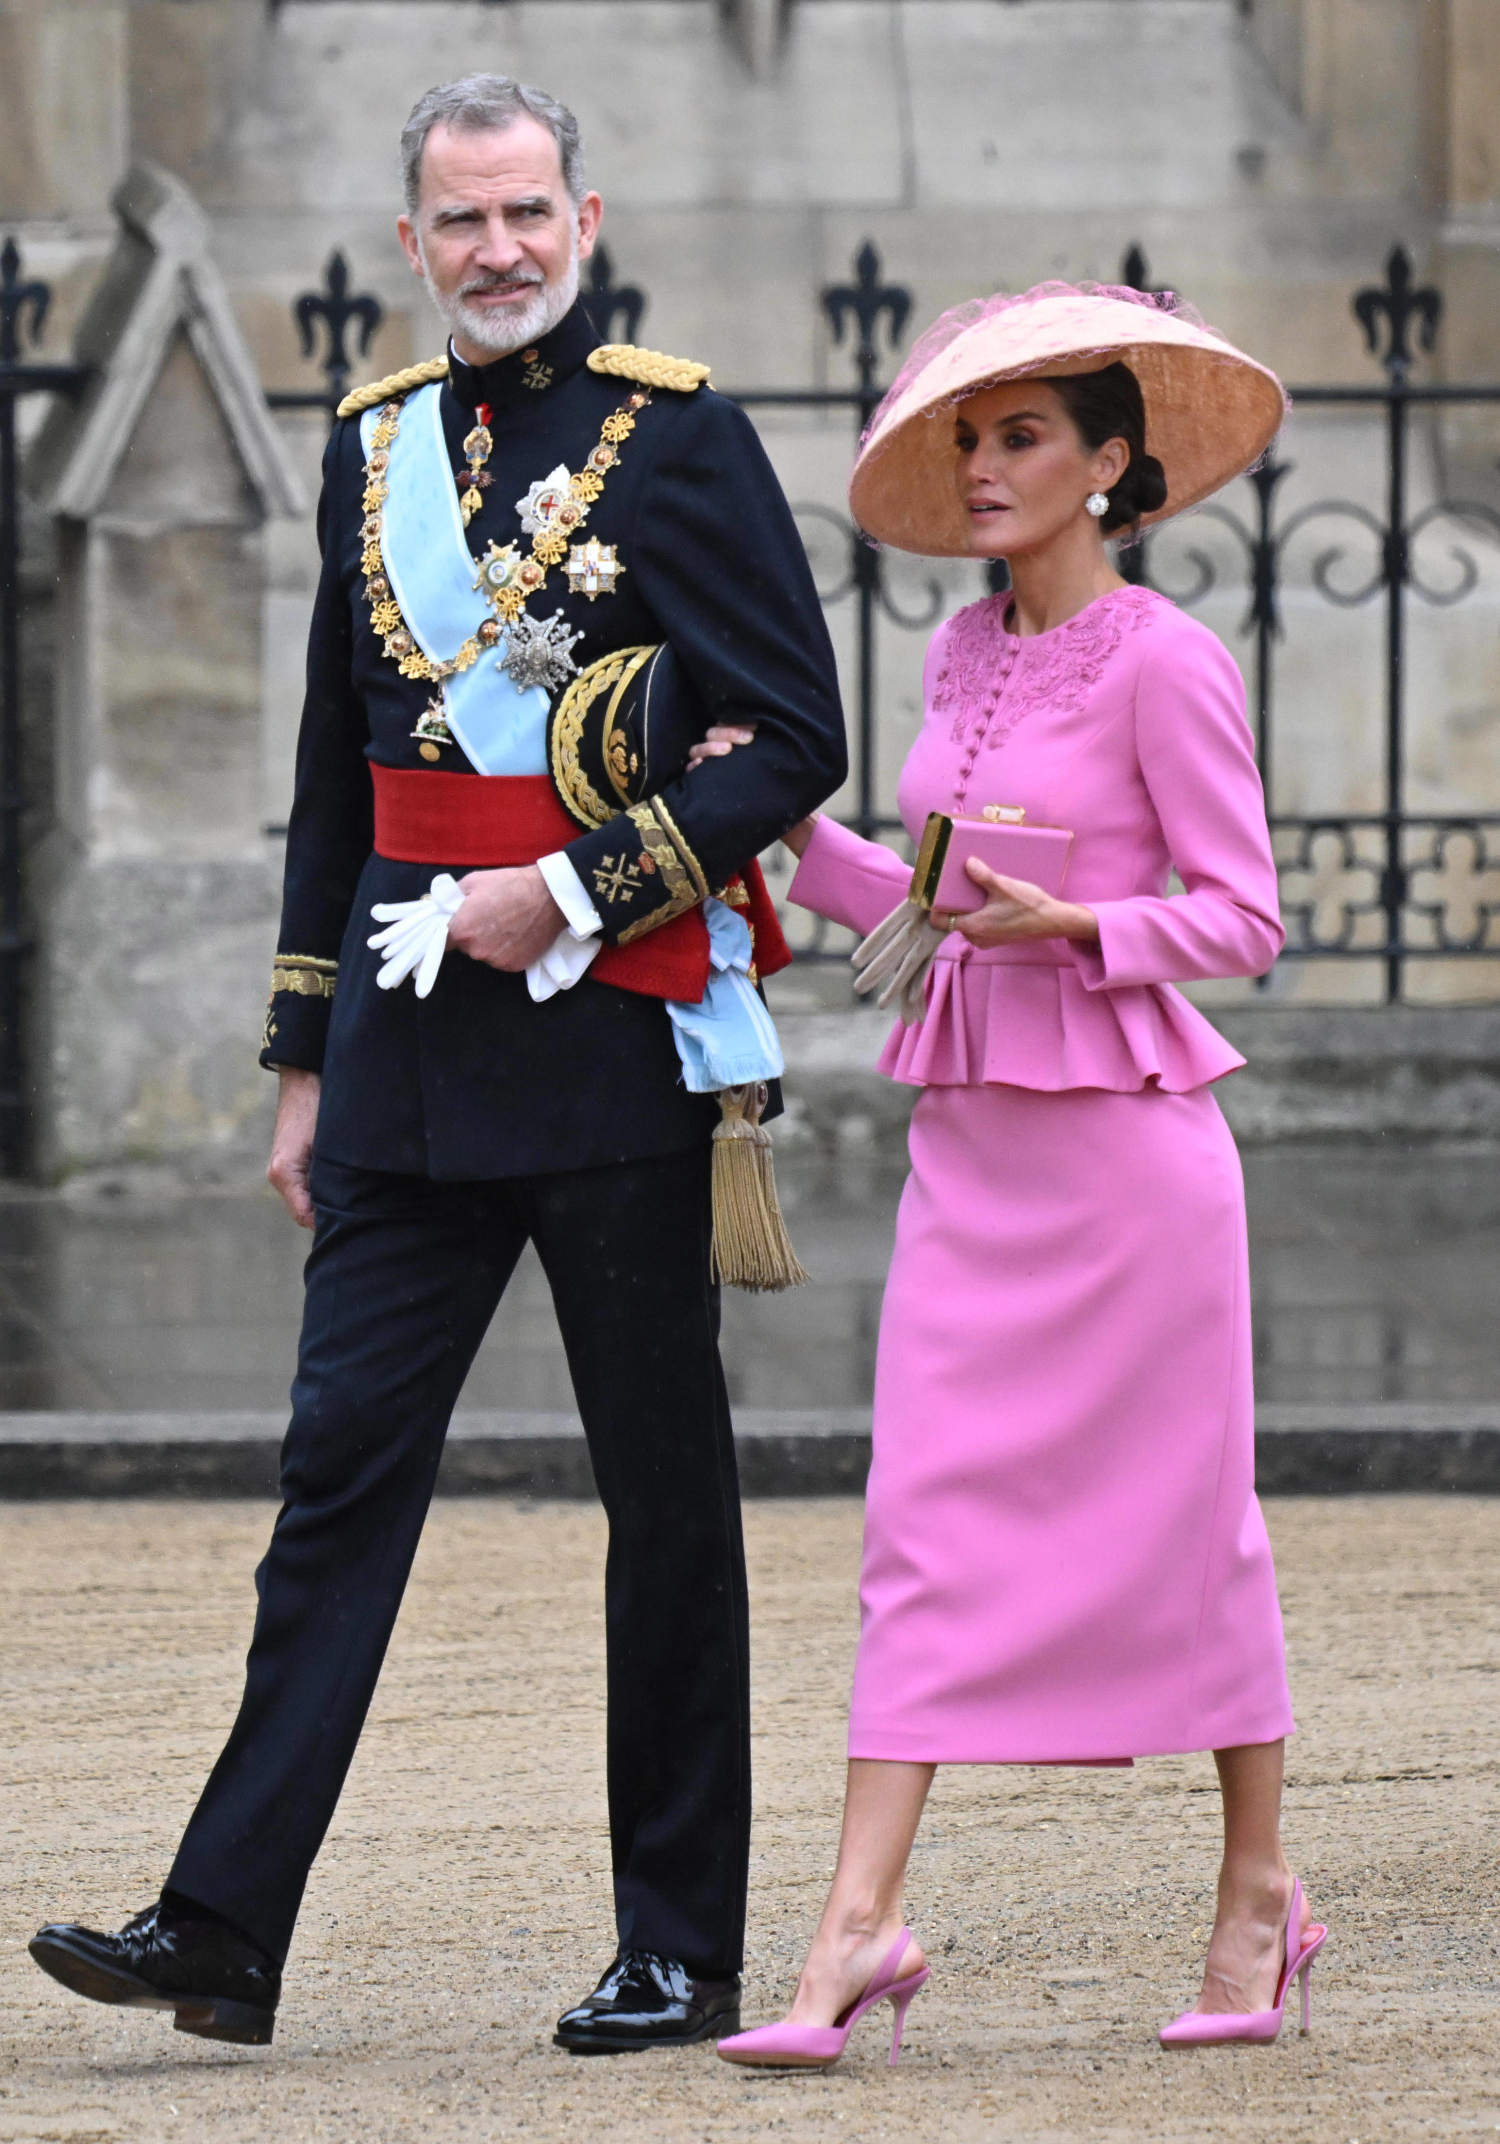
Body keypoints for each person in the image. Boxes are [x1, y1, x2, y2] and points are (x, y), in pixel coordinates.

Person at [29, 73, 844, 2055]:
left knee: (664, 1505)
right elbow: (338, 775)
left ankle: (681, 1943)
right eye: (460, 220)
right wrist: (300, 1058)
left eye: (528, 213)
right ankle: (221, 1925)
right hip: (401, 1066)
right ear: (413, 243)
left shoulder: (684, 435)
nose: (497, 250)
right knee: (333, 1486)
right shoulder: (375, 441)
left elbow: (789, 735)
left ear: (586, 216)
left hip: (612, 1055)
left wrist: (575, 890)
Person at [715, 282, 1329, 2071]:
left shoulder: (1167, 657)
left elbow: (1247, 920)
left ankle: (1256, 1893)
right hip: (969, 1165)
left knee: (1191, 1532)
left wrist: (1093, 927)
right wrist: (758, 831)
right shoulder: (960, 658)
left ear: (1112, 464)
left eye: (1024, 439)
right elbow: (922, 909)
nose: (984, 469)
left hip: (1134, 1170)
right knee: (920, 1528)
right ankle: (852, 1930)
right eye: (970, 441)